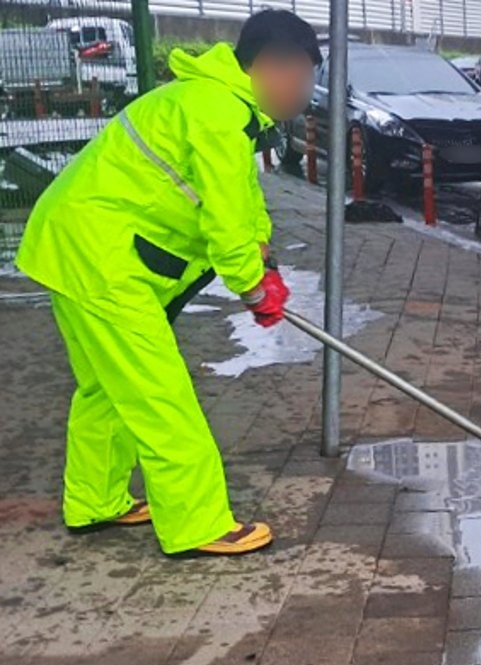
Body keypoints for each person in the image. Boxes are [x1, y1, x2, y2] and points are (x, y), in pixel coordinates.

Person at [14, 10, 321, 555]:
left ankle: (95, 502)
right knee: (161, 395)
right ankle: (197, 524)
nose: (305, 94)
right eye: (304, 78)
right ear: (275, 68)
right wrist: (252, 286)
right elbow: (225, 225)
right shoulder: (217, 114)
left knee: (108, 389)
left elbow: (239, 203)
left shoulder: (218, 105)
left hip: (75, 246)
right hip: (98, 258)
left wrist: (262, 257)